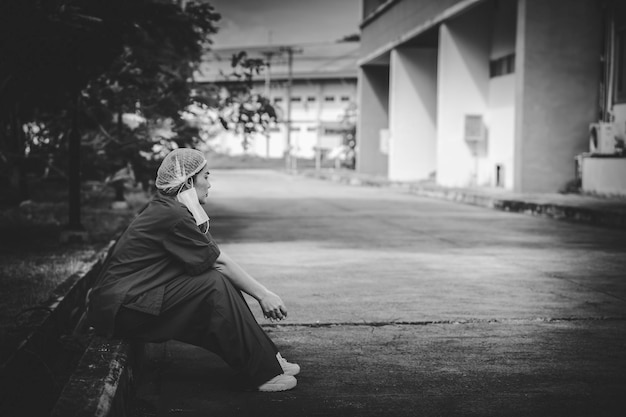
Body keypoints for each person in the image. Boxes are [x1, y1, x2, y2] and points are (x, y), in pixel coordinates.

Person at [86, 148, 299, 392]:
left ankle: (266, 359)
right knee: (212, 283)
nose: (210, 184)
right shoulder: (173, 215)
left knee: (216, 281)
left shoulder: (172, 208)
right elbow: (219, 261)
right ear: (188, 181)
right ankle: (263, 371)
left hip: (131, 301)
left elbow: (215, 258)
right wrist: (264, 295)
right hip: (122, 310)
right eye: (206, 177)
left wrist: (261, 293)